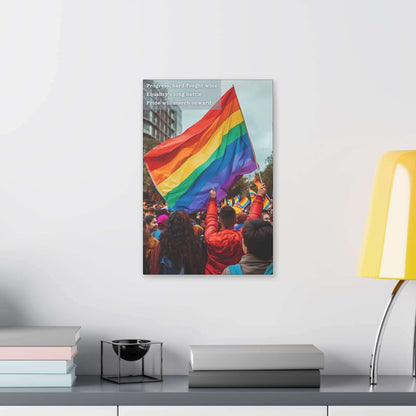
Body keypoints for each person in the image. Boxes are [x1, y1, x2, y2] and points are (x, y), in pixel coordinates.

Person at [204, 184, 267, 274]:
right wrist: (259, 196)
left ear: (219, 220)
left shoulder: (210, 237)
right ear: (235, 220)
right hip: (236, 275)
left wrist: (212, 199)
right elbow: (253, 217)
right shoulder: (240, 237)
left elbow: (210, 218)